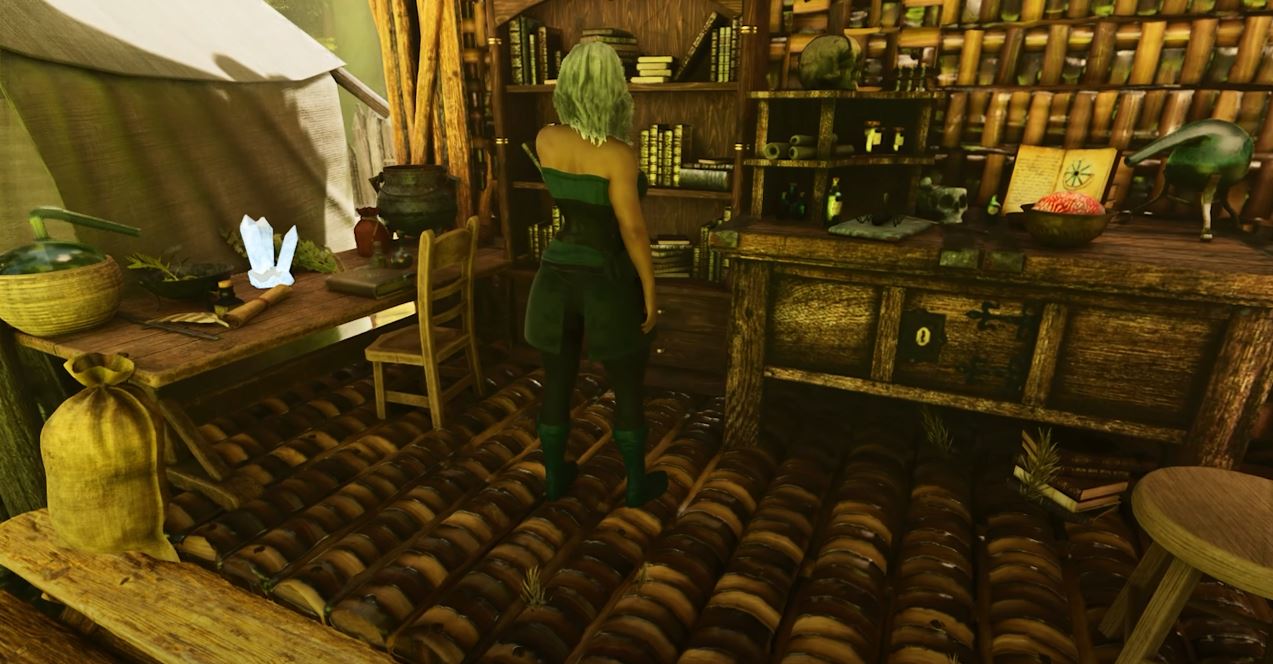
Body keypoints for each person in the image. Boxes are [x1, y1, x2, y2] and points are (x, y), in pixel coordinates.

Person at [523, 41, 666, 507]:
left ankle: (554, 479)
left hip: (555, 274)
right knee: (626, 381)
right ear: (613, 92)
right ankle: (636, 484)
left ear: (566, 87)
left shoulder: (545, 139)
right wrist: (650, 288)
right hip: (607, 278)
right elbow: (632, 230)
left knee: (557, 379)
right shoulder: (619, 154)